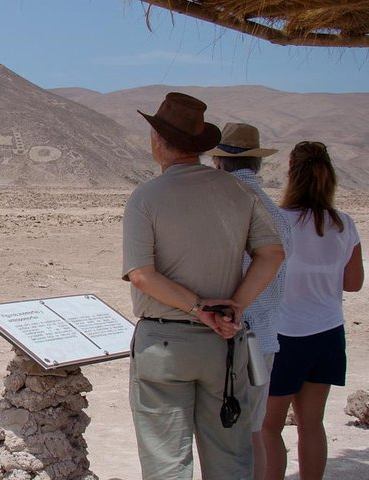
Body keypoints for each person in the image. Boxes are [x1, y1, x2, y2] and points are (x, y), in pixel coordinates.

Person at [123, 92, 285, 480]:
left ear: (157, 141)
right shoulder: (238, 192)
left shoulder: (146, 198)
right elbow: (273, 254)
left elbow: (143, 275)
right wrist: (235, 306)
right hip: (225, 346)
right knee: (230, 459)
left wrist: (198, 309)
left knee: (167, 464)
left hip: (165, 344)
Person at [262, 141, 364, 480]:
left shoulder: (278, 221)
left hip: (286, 336)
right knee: (312, 425)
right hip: (329, 333)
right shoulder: (344, 224)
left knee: (270, 428)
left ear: (291, 174)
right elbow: (353, 283)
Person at [207, 122, 291, 480]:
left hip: (229, 335)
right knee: (253, 430)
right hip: (267, 336)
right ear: (257, 164)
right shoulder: (279, 215)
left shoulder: (224, 207)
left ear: (219, 162)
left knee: (223, 435)